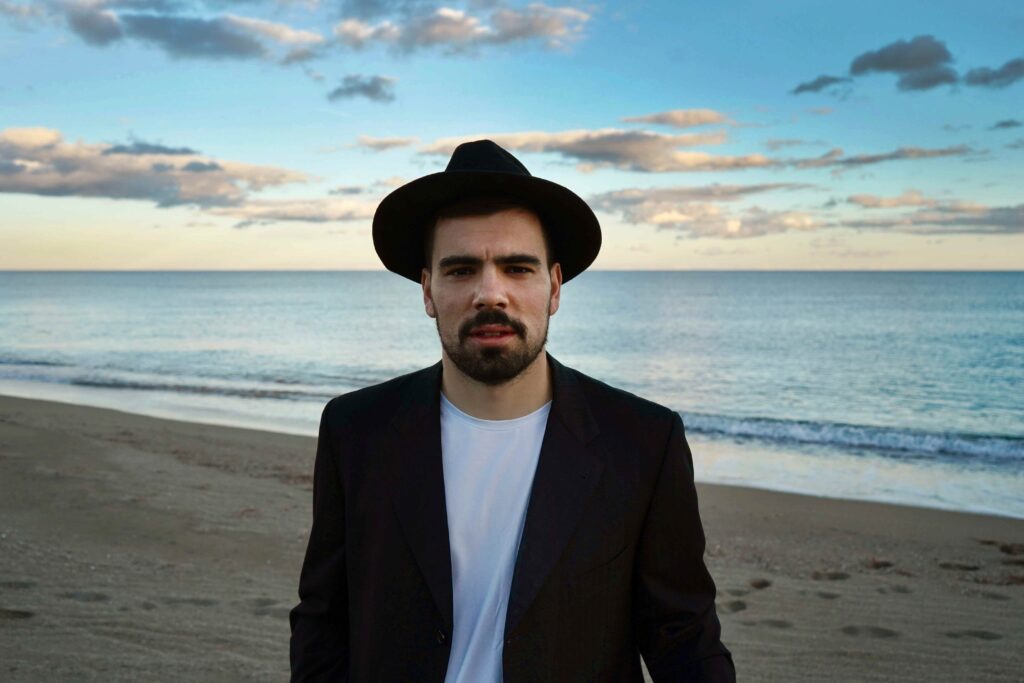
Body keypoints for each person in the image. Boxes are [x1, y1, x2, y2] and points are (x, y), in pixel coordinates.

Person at [289, 140, 735, 682]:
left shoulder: (642, 440)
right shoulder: (356, 430)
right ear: (427, 290)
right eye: (460, 270)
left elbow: (683, 636)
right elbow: (324, 624)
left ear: (553, 287)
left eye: (517, 268)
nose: (490, 293)